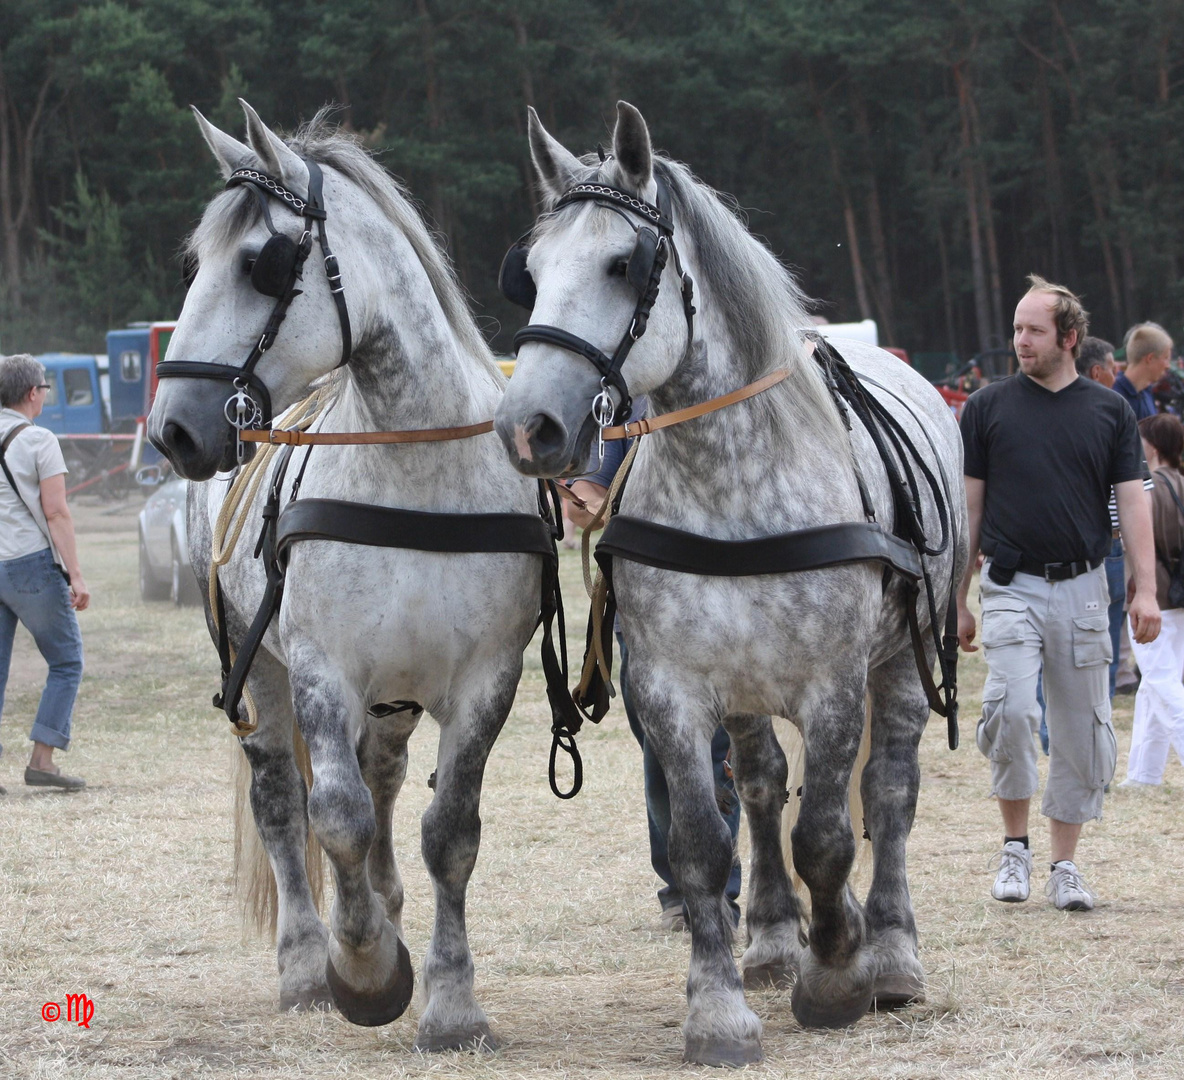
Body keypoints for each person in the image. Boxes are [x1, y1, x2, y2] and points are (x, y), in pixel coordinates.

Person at [957, 276, 1159, 912]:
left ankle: (1063, 866)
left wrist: (1145, 590)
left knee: (1080, 731)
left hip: (1084, 592)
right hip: (1010, 586)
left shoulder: (1111, 413)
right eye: (1017, 329)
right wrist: (955, 597)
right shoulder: (986, 408)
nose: (1020, 340)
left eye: (1033, 330)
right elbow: (970, 509)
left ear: (1068, 338)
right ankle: (1014, 848)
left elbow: (1132, 504)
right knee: (1013, 712)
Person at [566, 422, 742, 931]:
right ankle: (679, 885)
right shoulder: (629, 407)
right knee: (663, 749)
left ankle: (713, 890)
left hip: (729, 600)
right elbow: (589, 502)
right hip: (647, 605)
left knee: (716, 749)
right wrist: (575, 488)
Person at [0, 354, 89, 792]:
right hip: (28, 562)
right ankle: (42, 758)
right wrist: (76, 574)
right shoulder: (39, 440)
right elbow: (56, 512)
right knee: (67, 661)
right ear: (33, 392)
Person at [1121, 414, 1184, 787]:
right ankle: (1143, 775)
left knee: (1164, 685)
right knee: (1155, 687)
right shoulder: (1179, 481)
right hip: (1176, 597)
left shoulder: (1148, 488)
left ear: (1154, 447)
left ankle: (1144, 775)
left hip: (1152, 597)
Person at [1113, 323, 1172, 420]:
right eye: (1166, 358)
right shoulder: (1115, 397)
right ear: (1150, 358)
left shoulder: (1146, 392)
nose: (1168, 366)